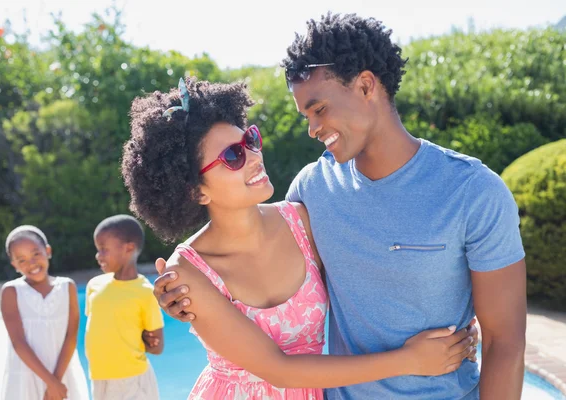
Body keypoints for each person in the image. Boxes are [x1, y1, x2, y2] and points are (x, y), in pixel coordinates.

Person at [157, 13, 528, 400]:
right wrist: (183, 296)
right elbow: (248, 248)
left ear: (366, 85)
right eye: (305, 116)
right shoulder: (312, 191)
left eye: (319, 109)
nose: (312, 129)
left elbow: (505, 343)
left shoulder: (474, 192)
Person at [121, 77, 478, 399]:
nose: (254, 157)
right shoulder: (188, 275)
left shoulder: (301, 220)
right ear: (196, 191)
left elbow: (374, 274)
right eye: (233, 156)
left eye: (250, 140)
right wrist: (410, 360)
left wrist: (453, 320)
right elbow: (278, 369)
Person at [0, 225, 89, 400]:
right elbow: (18, 342)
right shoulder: (11, 291)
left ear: (47, 251)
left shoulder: (67, 286)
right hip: (26, 375)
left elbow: (71, 336)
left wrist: (57, 381)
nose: (31, 263)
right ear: (14, 265)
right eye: (22, 260)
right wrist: (51, 383)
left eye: (36, 254)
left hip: (63, 373)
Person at [85, 215, 164, 400]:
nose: (98, 256)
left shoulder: (145, 292)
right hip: (99, 378)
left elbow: (157, 347)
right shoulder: (94, 285)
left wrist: (144, 340)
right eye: (98, 250)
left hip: (132, 380)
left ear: (128, 248)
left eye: (103, 250)